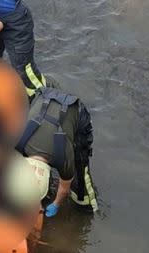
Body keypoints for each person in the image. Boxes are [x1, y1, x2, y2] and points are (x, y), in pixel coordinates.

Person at [15, 87, 98, 217]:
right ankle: (38, 193)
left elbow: (64, 188)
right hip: (43, 97)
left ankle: (86, 208)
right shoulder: (17, 142)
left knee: (80, 173)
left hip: (74, 109)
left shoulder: (64, 158)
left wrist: (56, 204)